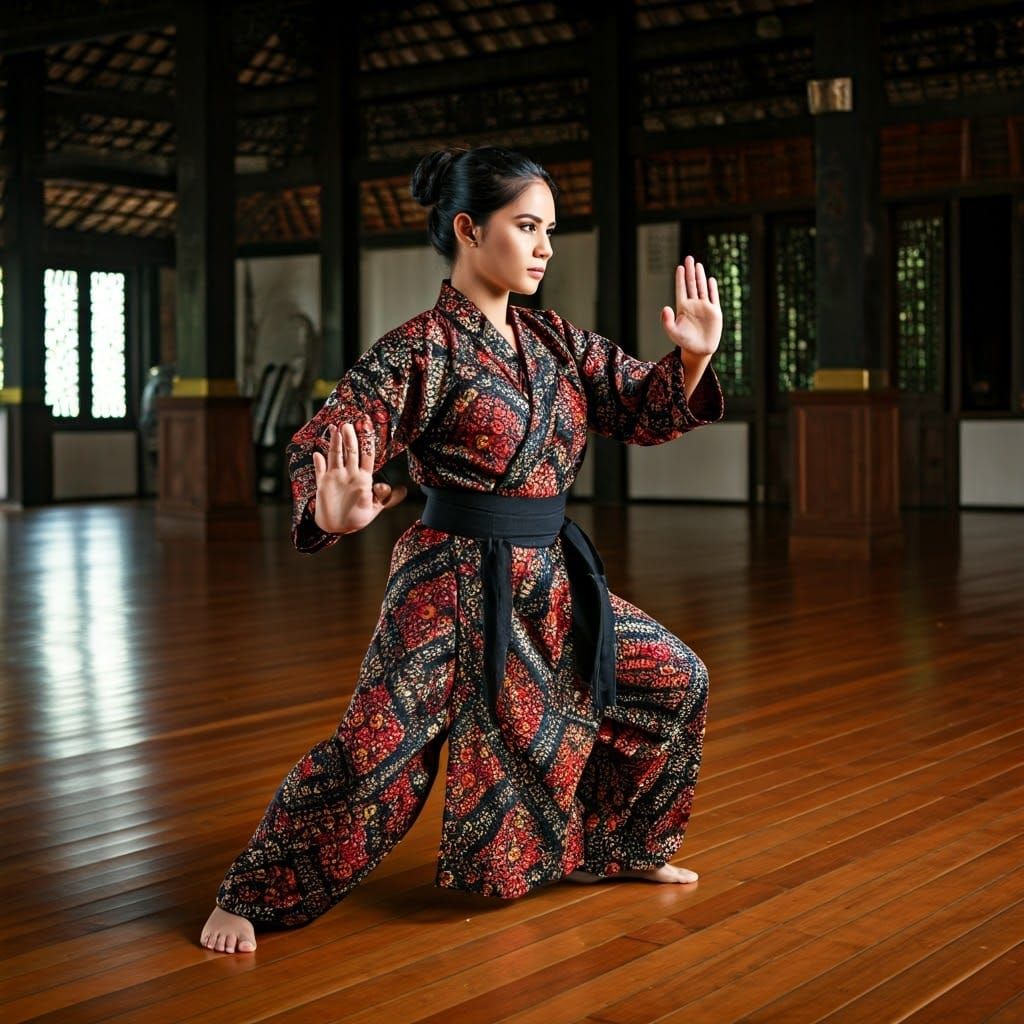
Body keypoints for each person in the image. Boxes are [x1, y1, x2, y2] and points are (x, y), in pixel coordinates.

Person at [200, 145, 724, 954]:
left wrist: (692, 356)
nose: (545, 248)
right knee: (377, 752)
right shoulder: (418, 349)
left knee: (675, 682)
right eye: (527, 227)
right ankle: (251, 895)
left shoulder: (554, 341)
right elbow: (333, 438)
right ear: (469, 230)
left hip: (550, 578)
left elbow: (636, 404)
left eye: (549, 230)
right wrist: (332, 506)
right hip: (449, 583)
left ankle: (614, 847)